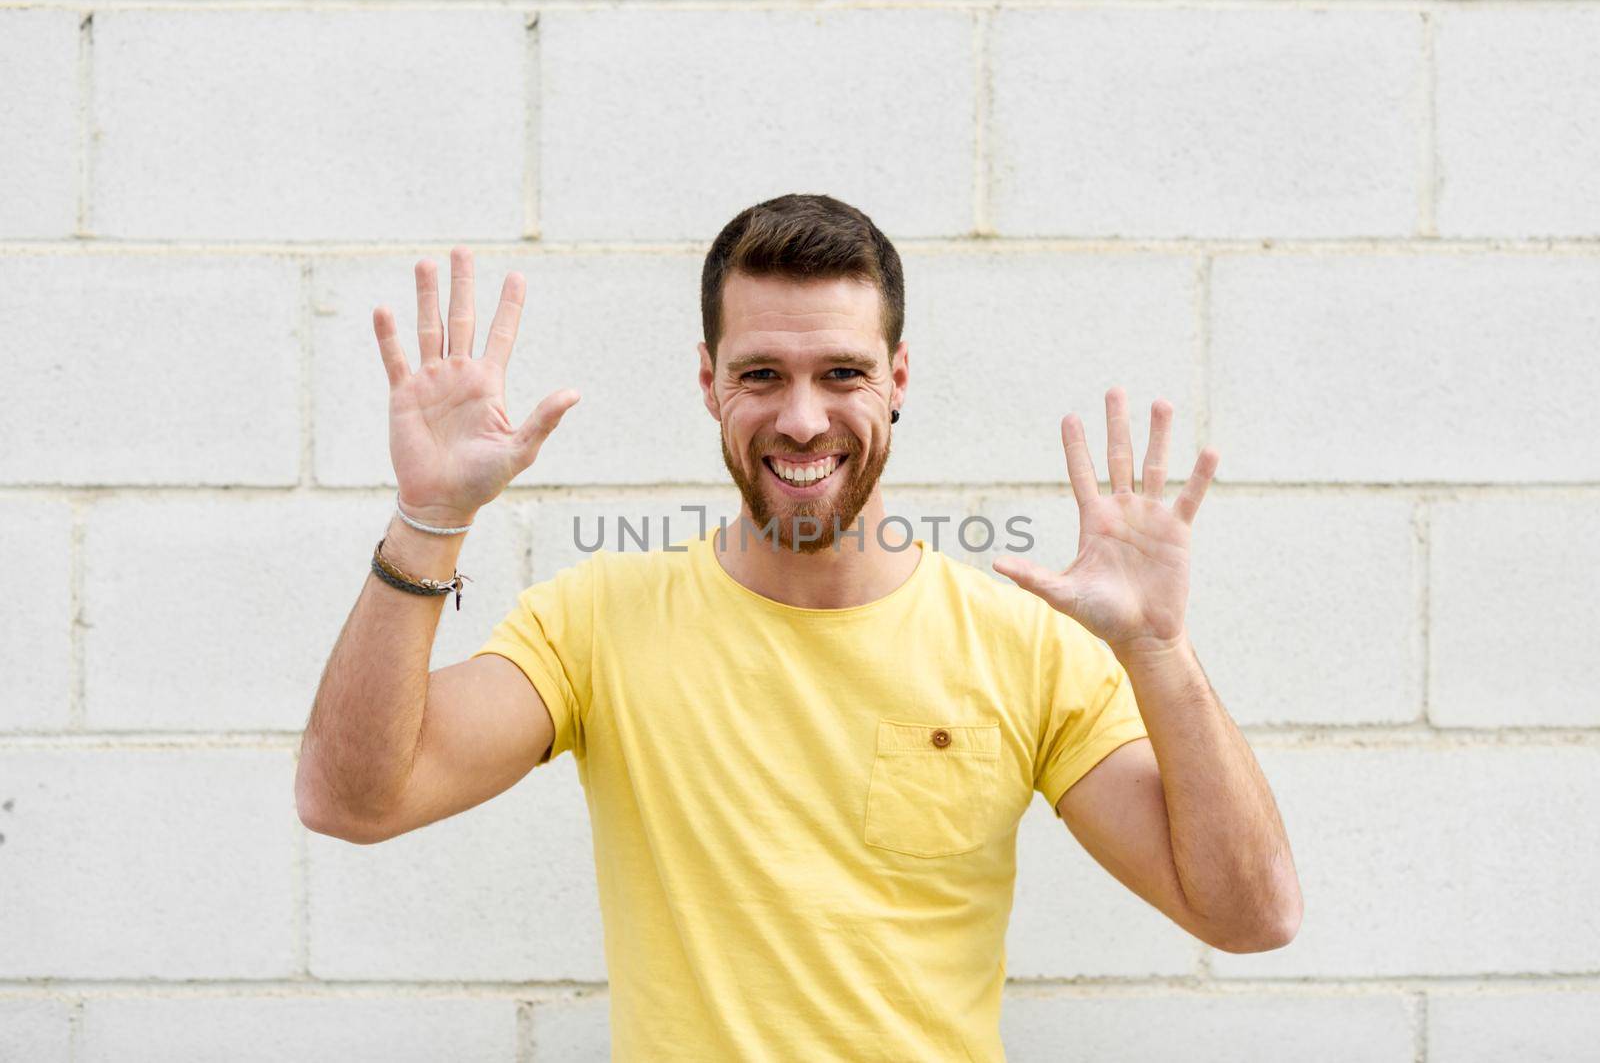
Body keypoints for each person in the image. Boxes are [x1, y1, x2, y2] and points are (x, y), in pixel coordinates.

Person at [296, 193, 1302, 1061]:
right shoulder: (598, 621)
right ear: (709, 383)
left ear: (897, 379)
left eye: (842, 374)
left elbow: (1248, 916)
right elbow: (352, 802)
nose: (804, 419)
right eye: (763, 375)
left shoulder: (1023, 644)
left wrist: (1157, 650)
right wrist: (430, 520)